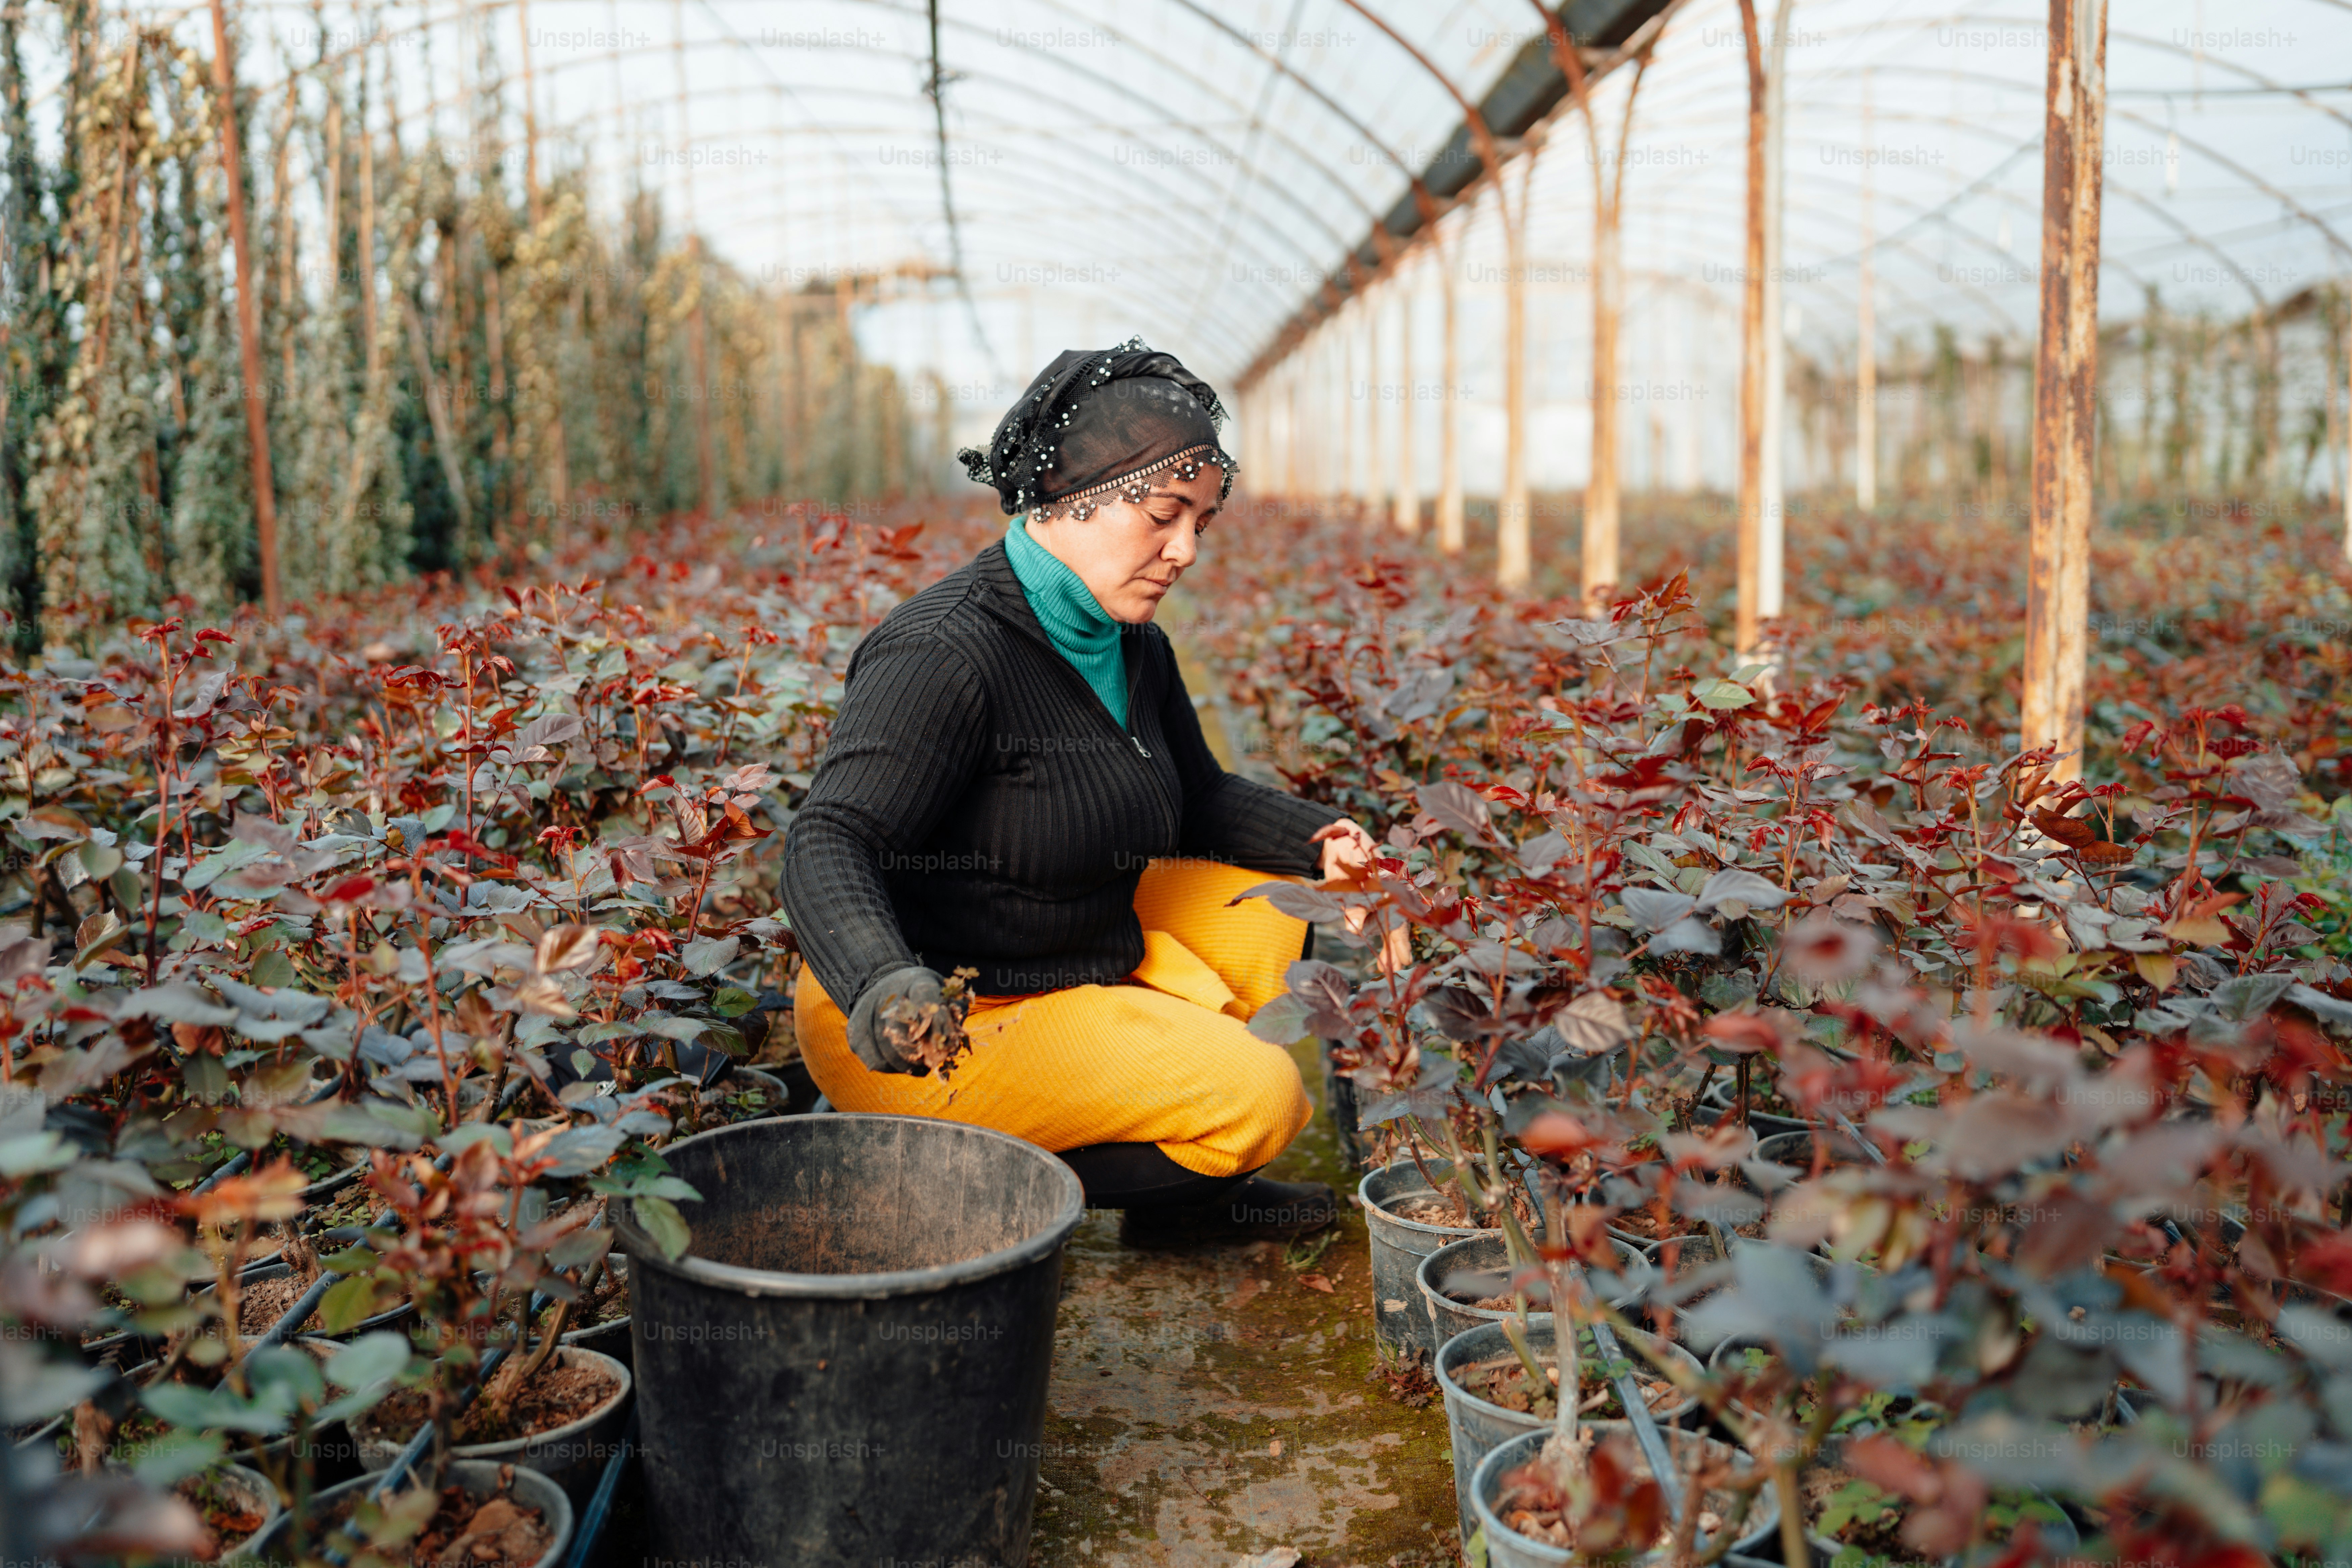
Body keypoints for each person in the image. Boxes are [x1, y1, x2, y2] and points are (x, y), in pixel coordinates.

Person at [782, 338, 1393, 1245]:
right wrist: (885, 985)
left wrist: (1328, 844)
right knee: (1264, 1097)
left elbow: (1201, 796)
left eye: (1203, 522)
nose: (1184, 549)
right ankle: (941, 1175)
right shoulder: (946, 652)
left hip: (1065, 940)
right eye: (1163, 514)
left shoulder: (1129, 637)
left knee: (1273, 913)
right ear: (1070, 493)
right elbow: (830, 838)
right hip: (946, 1012)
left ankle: (1179, 1208)